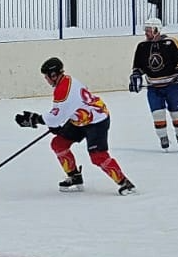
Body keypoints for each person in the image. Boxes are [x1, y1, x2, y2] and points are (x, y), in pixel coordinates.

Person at [15, 57, 135, 195]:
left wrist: (35, 119)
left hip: (97, 120)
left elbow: (55, 118)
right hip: (80, 120)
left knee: (98, 156)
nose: (46, 80)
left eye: (46, 77)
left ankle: (126, 184)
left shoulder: (64, 90)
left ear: (53, 75)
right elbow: (62, 113)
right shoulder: (66, 81)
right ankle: (74, 177)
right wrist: (50, 122)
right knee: (58, 144)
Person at [129, 16, 178, 150]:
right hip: (153, 87)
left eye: (149, 29)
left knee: (177, 114)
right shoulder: (142, 46)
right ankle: (163, 137)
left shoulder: (171, 42)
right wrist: (136, 76)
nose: (146, 32)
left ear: (157, 30)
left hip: (172, 85)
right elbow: (138, 66)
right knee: (157, 114)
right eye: (146, 29)